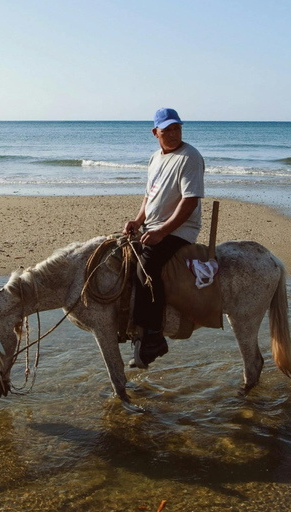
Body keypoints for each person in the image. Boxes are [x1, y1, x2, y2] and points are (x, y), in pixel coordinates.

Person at [123, 108, 205, 369]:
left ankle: (154, 336)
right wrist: (138, 221)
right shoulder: (155, 158)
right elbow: (150, 196)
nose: (172, 133)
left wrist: (162, 232)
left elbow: (190, 201)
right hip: (153, 225)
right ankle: (130, 328)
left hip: (180, 230)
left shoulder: (189, 157)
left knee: (147, 266)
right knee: (119, 256)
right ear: (155, 132)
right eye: (167, 129)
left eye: (177, 128)